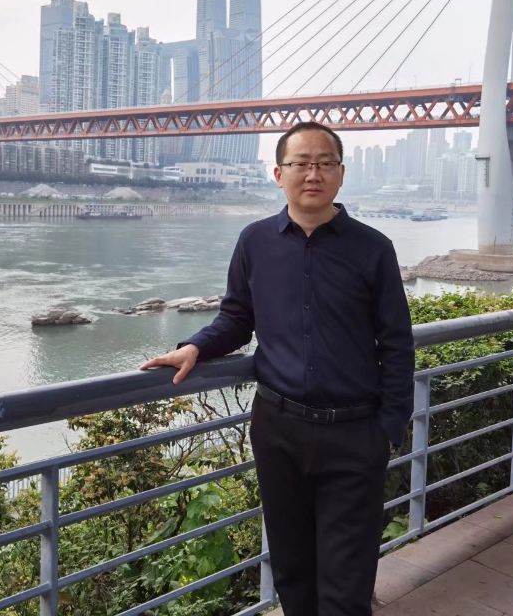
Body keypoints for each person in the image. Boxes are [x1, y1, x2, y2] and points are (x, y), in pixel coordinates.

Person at [141, 122, 415, 616]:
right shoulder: (255, 241)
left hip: (355, 433)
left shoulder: (373, 248)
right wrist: (195, 347)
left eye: (325, 163)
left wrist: (389, 428)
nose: (313, 174)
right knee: (292, 570)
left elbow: (396, 343)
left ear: (341, 173)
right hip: (278, 430)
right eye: (301, 163)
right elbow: (236, 317)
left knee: (347, 582)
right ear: (278, 173)